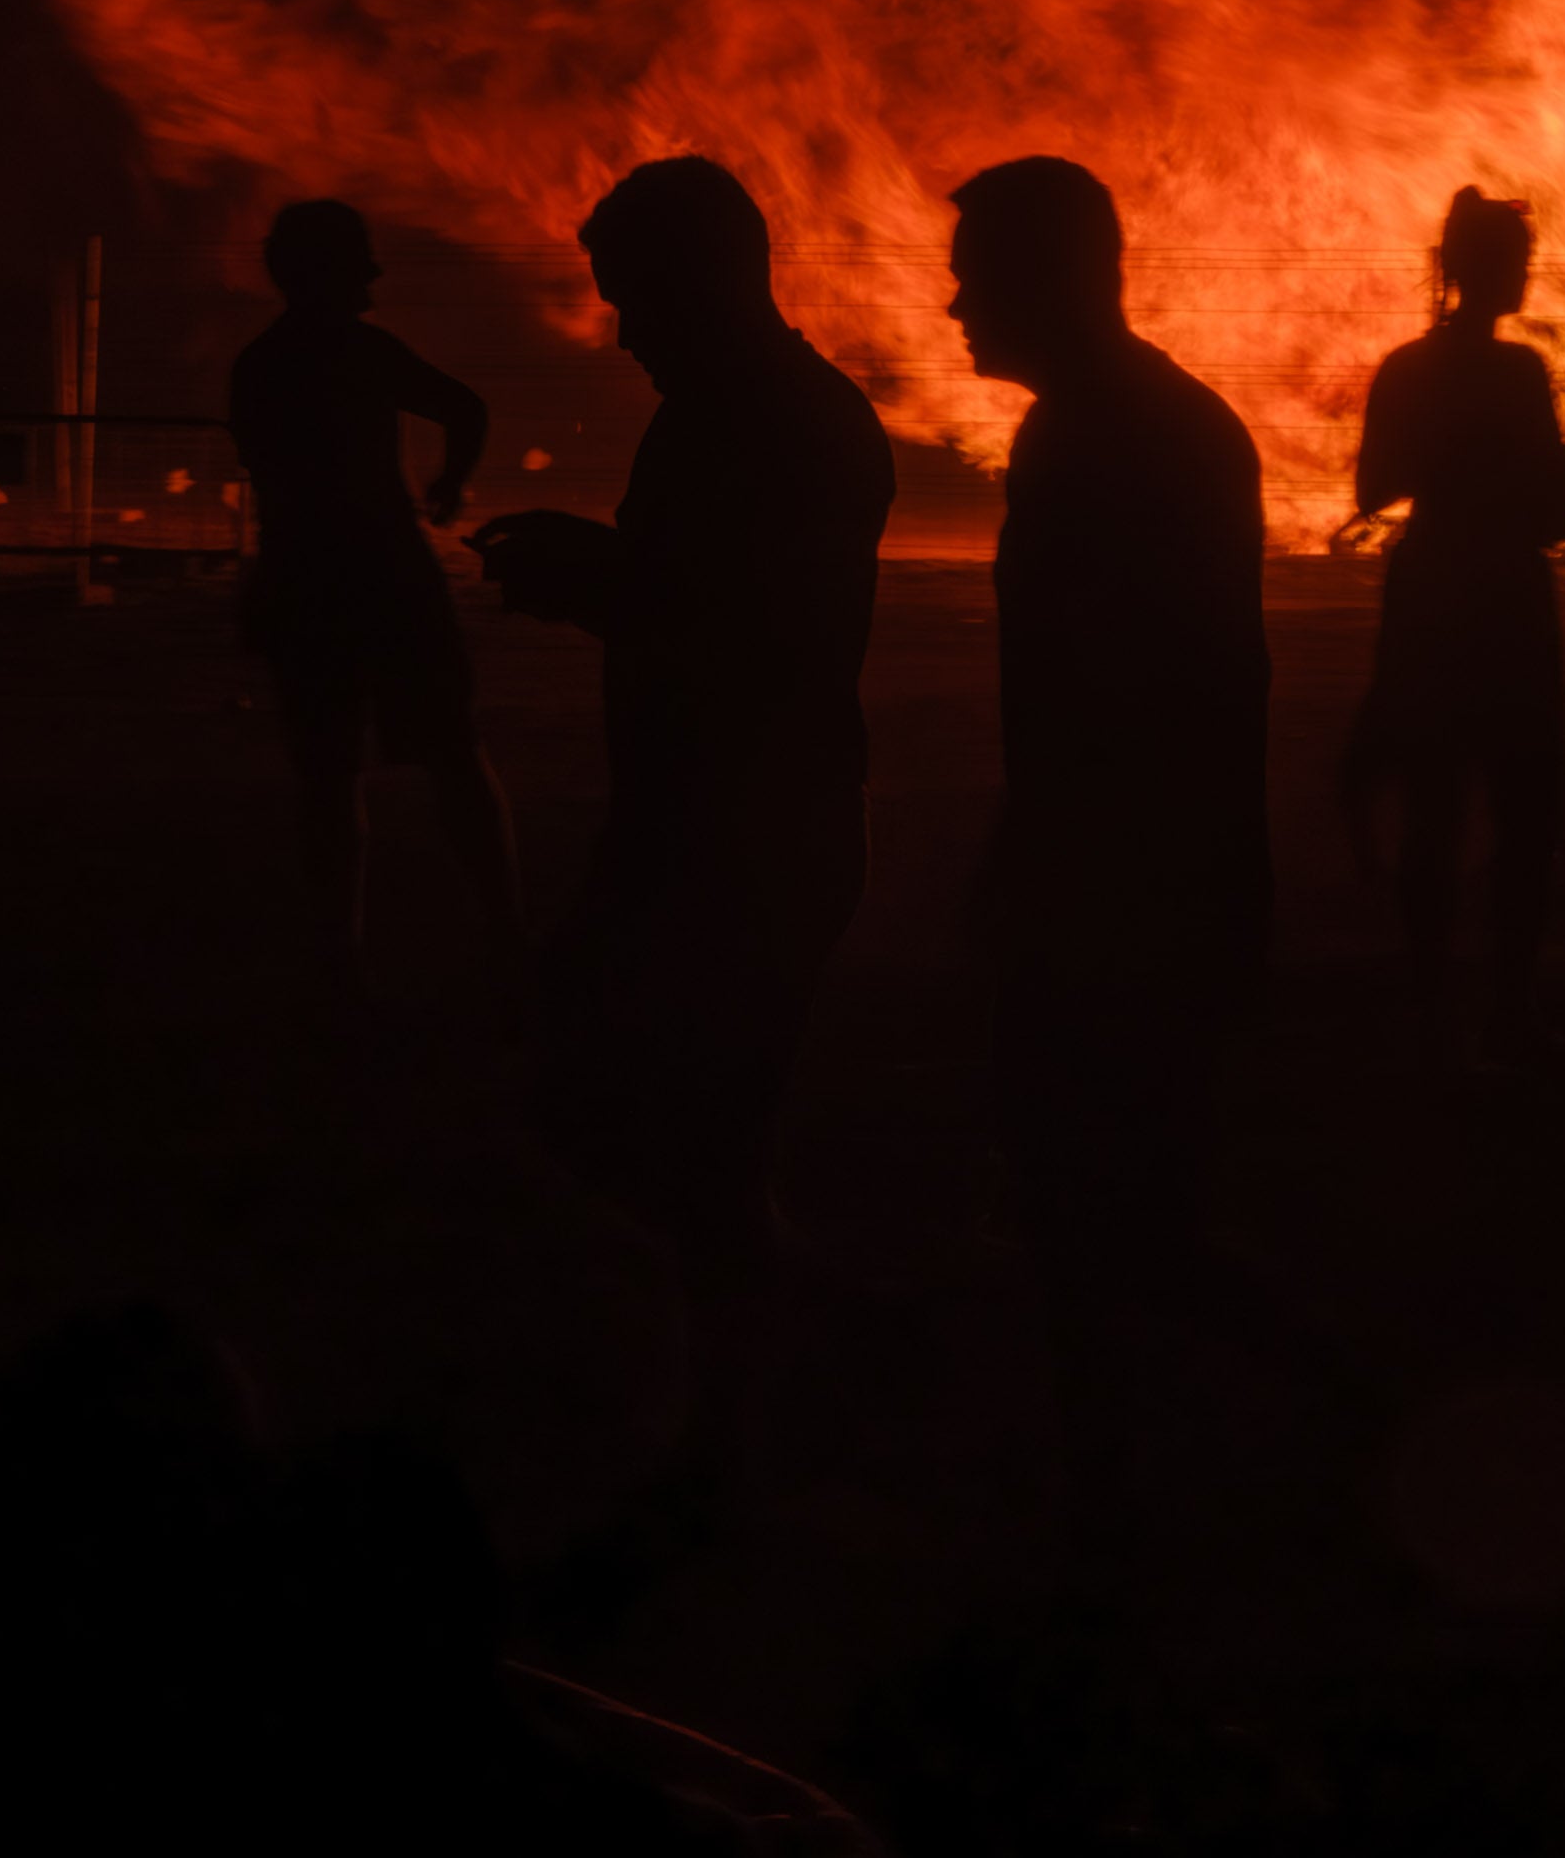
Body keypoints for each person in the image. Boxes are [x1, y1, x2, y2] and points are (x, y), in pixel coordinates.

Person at [467, 157, 896, 1491]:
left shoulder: (776, 421)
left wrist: (592, 577)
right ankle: (766, 1352)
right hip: (701, 825)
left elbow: (756, 629)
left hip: (745, 836)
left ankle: (726, 1418)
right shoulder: (742, 413)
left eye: (634, 297)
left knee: (653, 1120)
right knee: (658, 1117)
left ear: (703, 280)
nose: (624, 329)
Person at [943, 155, 1272, 1501]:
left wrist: (1045, 863)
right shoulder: (1152, 420)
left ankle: (1135, 1478)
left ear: (1047, 276)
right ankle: (1150, 1457)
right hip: (1162, 869)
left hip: (1122, 883)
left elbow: (1124, 688)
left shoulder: (1103, 439)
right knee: (1136, 1196)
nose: (953, 301)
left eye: (974, 273)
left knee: (1102, 1202)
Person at [1343, 189, 1565, 1070]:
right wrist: (1534, 480)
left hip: (1438, 590)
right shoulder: (1510, 375)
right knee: (1513, 806)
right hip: (1494, 596)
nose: (1524, 274)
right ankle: (1499, 1006)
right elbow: (1400, 486)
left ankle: (1440, 1007)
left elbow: (1372, 487)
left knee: (1443, 802)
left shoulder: (1413, 367)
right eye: (1514, 260)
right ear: (1474, 271)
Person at [228, 199, 518, 964]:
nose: (375, 271)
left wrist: (267, 584)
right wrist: (449, 482)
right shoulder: (362, 353)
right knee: (452, 754)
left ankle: (339, 964)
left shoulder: (259, 366)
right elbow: (465, 407)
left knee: (327, 775)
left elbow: (274, 487)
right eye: (359, 256)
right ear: (327, 270)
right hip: (390, 578)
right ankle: (506, 936)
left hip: (305, 581)